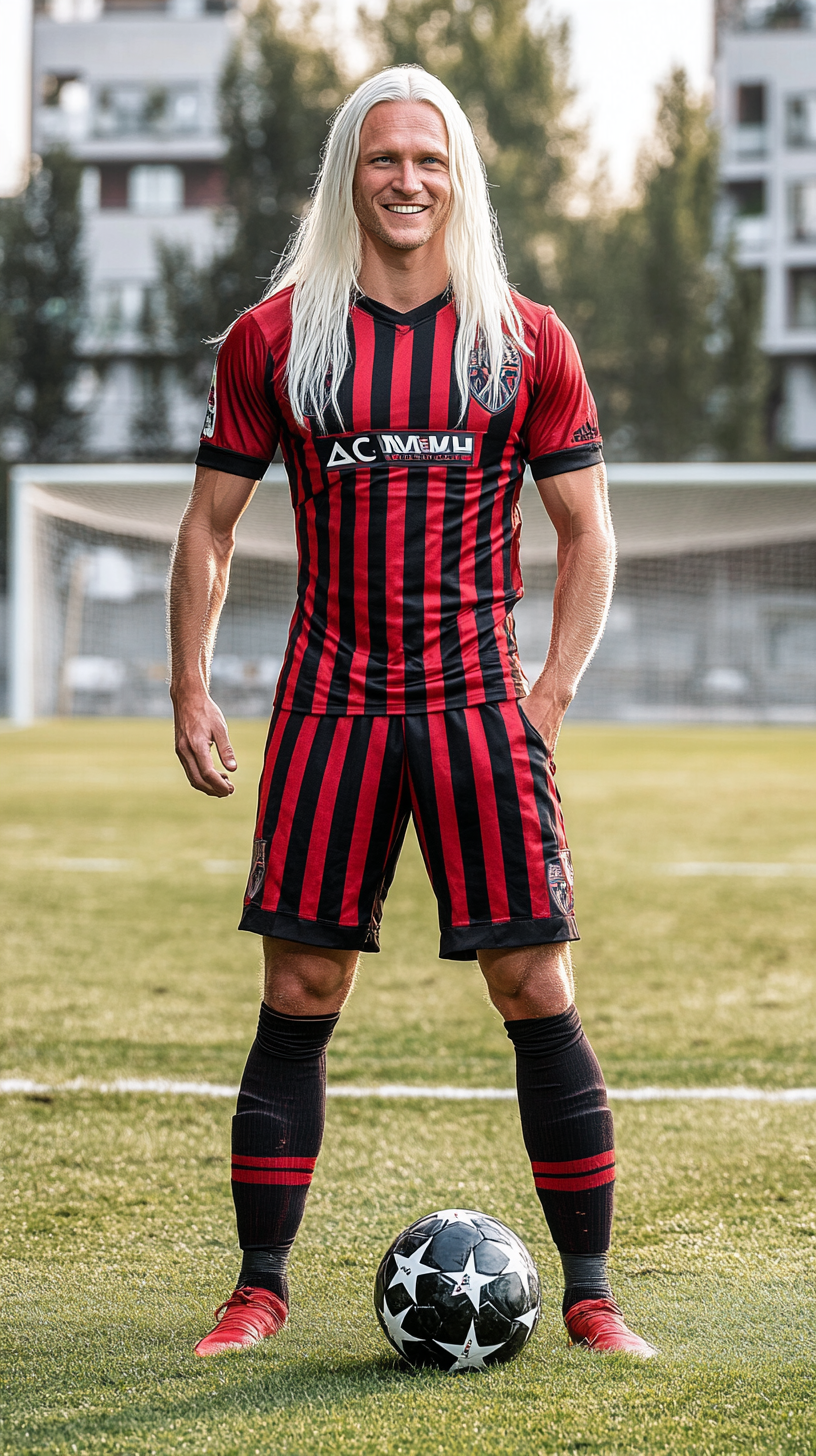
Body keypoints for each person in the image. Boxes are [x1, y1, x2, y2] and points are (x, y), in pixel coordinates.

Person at [169, 64, 656, 1361]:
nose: (405, 180)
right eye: (383, 159)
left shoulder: (521, 339)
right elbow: (211, 529)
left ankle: (596, 1298)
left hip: (477, 711)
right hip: (331, 706)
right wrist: (188, 685)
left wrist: (548, 693)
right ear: (349, 174)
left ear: (458, 178)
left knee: (536, 983)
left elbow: (587, 529)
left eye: (428, 161)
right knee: (302, 986)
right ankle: (259, 1290)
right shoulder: (277, 338)